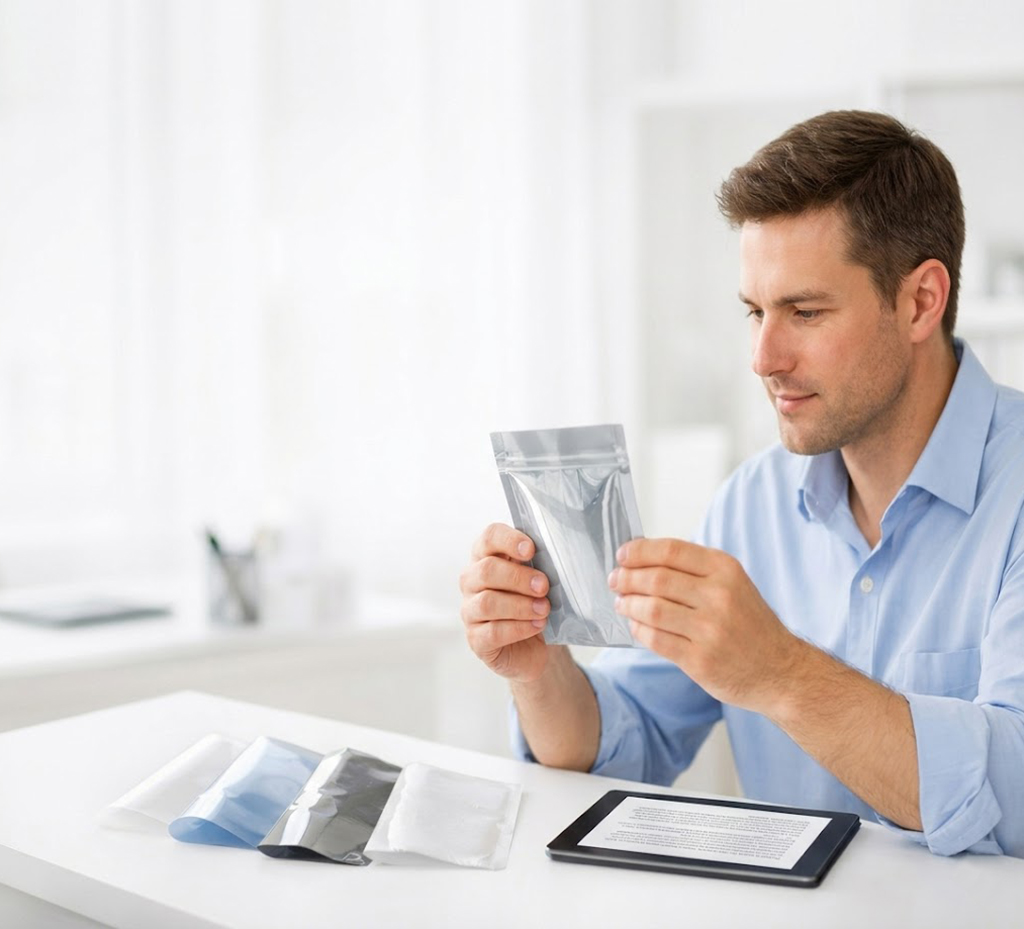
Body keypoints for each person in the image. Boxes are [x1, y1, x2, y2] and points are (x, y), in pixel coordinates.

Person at [458, 110, 1024, 858]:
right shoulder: (749, 505)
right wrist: (537, 668)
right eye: (755, 311)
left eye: (805, 311)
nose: (763, 356)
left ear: (920, 301)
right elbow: (626, 739)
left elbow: (1015, 794)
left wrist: (782, 673)